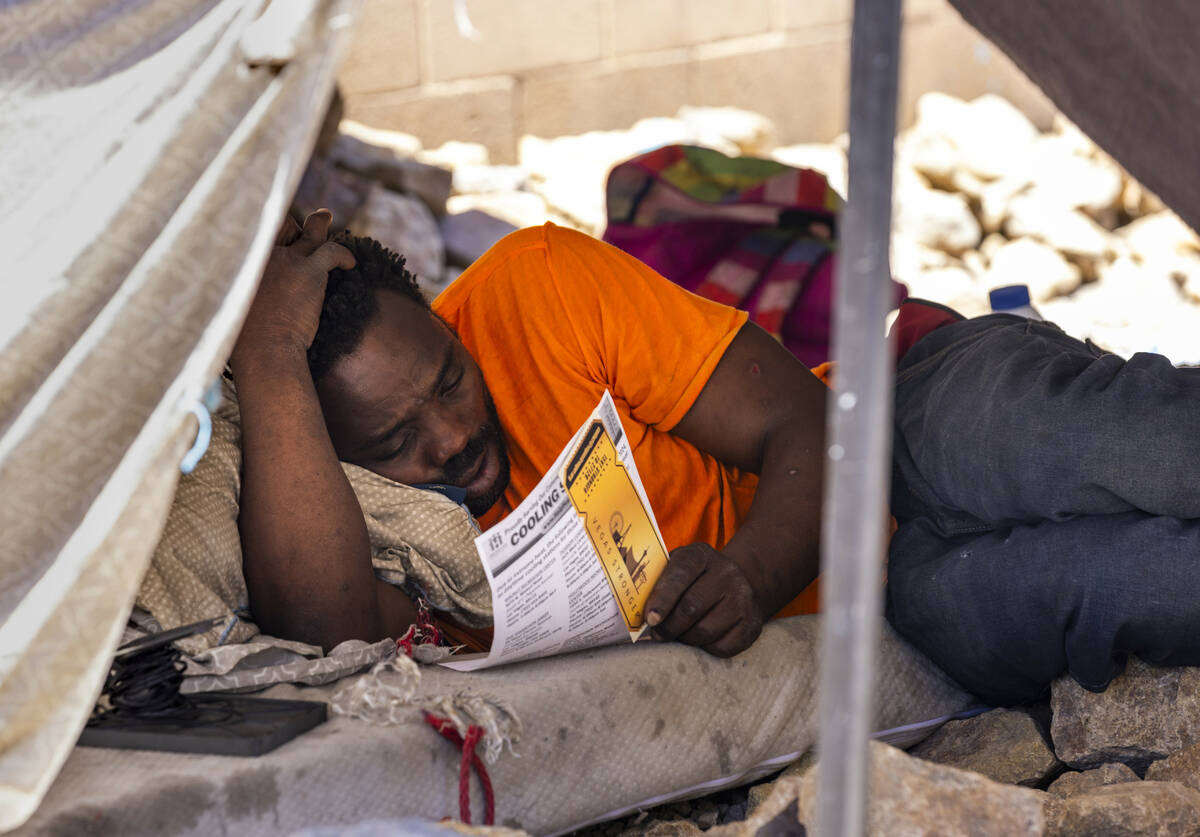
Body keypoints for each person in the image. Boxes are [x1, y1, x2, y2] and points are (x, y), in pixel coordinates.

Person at [234, 209, 1200, 707]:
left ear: (446, 322)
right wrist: (269, 354)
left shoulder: (536, 290)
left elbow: (811, 420)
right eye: (396, 443)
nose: (448, 435)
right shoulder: (375, 531)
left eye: (449, 377)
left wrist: (748, 573)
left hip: (901, 414)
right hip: (907, 590)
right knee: (1140, 584)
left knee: (1150, 451)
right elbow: (329, 628)